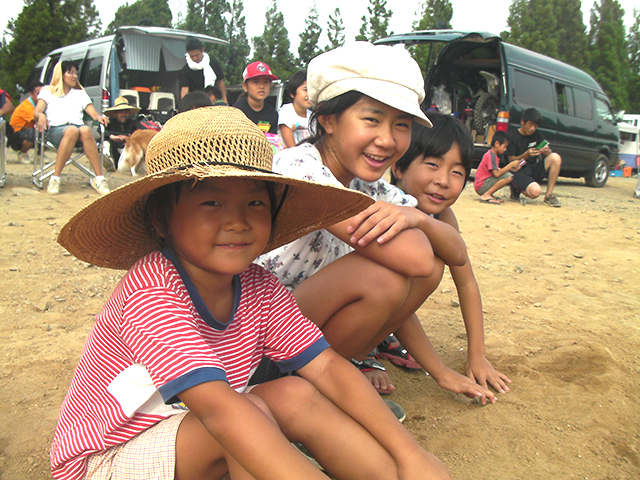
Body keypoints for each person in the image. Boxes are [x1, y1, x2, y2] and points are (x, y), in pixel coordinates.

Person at [50, 107, 452, 480]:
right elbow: (222, 414)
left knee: (295, 392)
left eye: (255, 202)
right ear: (160, 217)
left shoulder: (259, 285)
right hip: (105, 459)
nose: (238, 221)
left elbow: (327, 368)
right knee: (246, 416)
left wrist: (410, 454)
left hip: (188, 433)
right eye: (211, 202)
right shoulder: (152, 288)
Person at [255, 42, 496, 404]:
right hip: (248, 340)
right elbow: (415, 260)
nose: (387, 139)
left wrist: (420, 220)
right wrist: (418, 230)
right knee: (385, 274)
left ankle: (323, 380)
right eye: (372, 119)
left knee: (419, 269)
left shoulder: (370, 186)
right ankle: (308, 392)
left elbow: (455, 253)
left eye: (401, 124)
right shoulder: (300, 170)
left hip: (291, 329)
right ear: (328, 120)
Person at [389, 113, 512, 397]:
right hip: (324, 322)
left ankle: (380, 341)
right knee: (428, 267)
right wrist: (441, 371)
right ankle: (362, 356)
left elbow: (466, 282)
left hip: (384, 313)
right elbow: (391, 296)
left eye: (457, 172)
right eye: (432, 164)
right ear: (398, 168)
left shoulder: (442, 216)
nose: (444, 181)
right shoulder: (388, 209)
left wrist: (477, 354)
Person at [33, 61, 110, 196]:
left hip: (79, 131)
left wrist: (99, 118)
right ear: (61, 75)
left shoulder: (80, 93)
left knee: (85, 129)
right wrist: (41, 116)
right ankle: (55, 178)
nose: (75, 76)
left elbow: (93, 113)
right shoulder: (48, 92)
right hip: (57, 131)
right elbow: (37, 111)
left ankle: (99, 179)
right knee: (72, 130)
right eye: (71, 73)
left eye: (76, 73)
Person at [506, 108, 562, 207]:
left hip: (531, 169)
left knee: (555, 157)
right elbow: (511, 161)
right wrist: (526, 154)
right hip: (517, 171)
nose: (532, 129)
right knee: (536, 192)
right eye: (530, 125)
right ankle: (516, 189)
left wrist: (546, 151)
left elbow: (547, 153)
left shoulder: (537, 134)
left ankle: (549, 195)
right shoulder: (512, 136)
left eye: (535, 126)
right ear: (523, 122)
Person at [474, 130, 520, 204]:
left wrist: (512, 168)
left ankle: (488, 194)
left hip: (482, 185)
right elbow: (497, 174)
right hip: (481, 185)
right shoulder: (491, 155)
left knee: (507, 174)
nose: (505, 149)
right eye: (504, 147)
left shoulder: (493, 155)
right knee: (509, 176)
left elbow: (498, 170)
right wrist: (510, 165)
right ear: (497, 143)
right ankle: (487, 195)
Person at [233, 61, 279, 134]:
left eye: (266, 82)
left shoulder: (273, 114)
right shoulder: (236, 111)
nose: (261, 86)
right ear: (245, 86)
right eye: (256, 82)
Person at [179, 38, 227, 103]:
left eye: (197, 55)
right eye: (192, 56)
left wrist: (224, 99)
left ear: (202, 50)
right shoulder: (186, 69)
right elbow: (184, 89)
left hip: (213, 99)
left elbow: (220, 82)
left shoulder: (213, 63)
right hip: (195, 102)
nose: (195, 58)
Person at [8, 81, 43, 163]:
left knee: (47, 130)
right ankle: (22, 153)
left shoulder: (41, 104)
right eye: (38, 94)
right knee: (36, 130)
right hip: (16, 135)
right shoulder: (27, 106)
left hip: (28, 130)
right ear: (31, 94)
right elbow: (38, 120)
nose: (41, 97)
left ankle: (39, 155)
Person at [103, 96, 142, 170]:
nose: (124, 114)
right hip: (113, 150)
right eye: (120, 112)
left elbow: (143, 131)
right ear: (115, 114)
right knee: (105, 143)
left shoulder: (132, 122)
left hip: (127, 152)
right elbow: (100, 130)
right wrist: (112, 137)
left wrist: (128, 138)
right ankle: (108, 161)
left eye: (126, 112)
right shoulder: (110, 122)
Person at [278, 70, 312, 148]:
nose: (309, 94)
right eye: (305, 90)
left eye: (311, 90)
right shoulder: (286, 111)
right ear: (292, 93)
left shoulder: (312, 116)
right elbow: (291, 147)